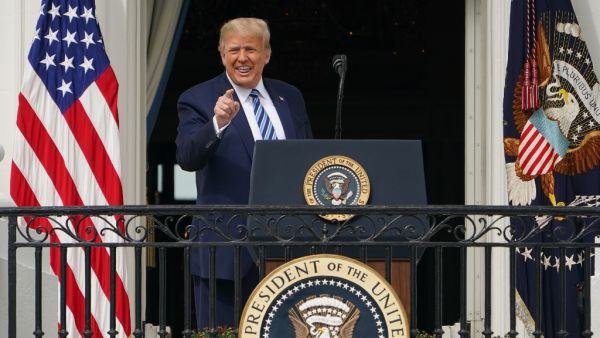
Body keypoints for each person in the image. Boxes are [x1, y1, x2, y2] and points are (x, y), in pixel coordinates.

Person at [175, 17, 313, 329]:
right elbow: (187, 157)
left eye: (251, 49)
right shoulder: (198, 99)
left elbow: (308, 158)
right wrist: (218, 124)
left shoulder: (289, 97)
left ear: (266, 54)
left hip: (288, 247)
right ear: (222, 54)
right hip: (225, 250)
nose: (242, 58)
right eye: (234, 50)